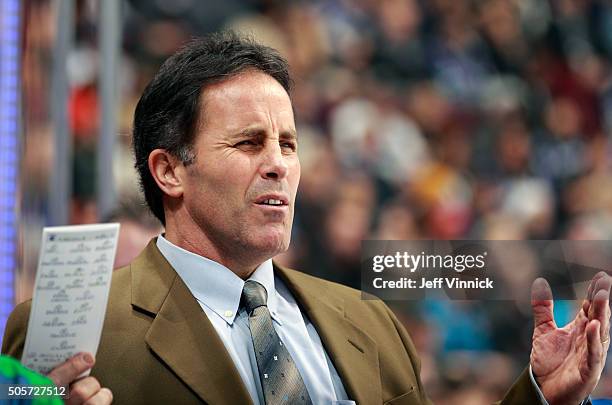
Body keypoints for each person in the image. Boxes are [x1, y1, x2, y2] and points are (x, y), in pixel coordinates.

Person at [2, 32, 610, 405]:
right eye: (248, 144)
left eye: (289, 145)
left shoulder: (371, 323)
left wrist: (541, 400)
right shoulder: (65, 338)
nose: (279, 166)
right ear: (169, 171)